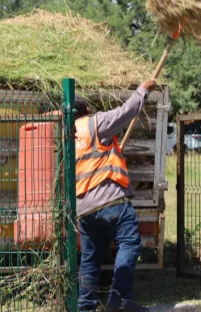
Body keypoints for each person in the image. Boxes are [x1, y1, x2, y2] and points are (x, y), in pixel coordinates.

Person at [74, 80, 157, 312]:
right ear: (87, 112)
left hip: (85, 209)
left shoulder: (66, 137)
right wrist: (142, 91)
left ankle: (85, 307)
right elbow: (126, 112)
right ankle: (119, 298)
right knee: (129, 243)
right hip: (110, 201)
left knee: (90, 259)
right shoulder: (94, 123)